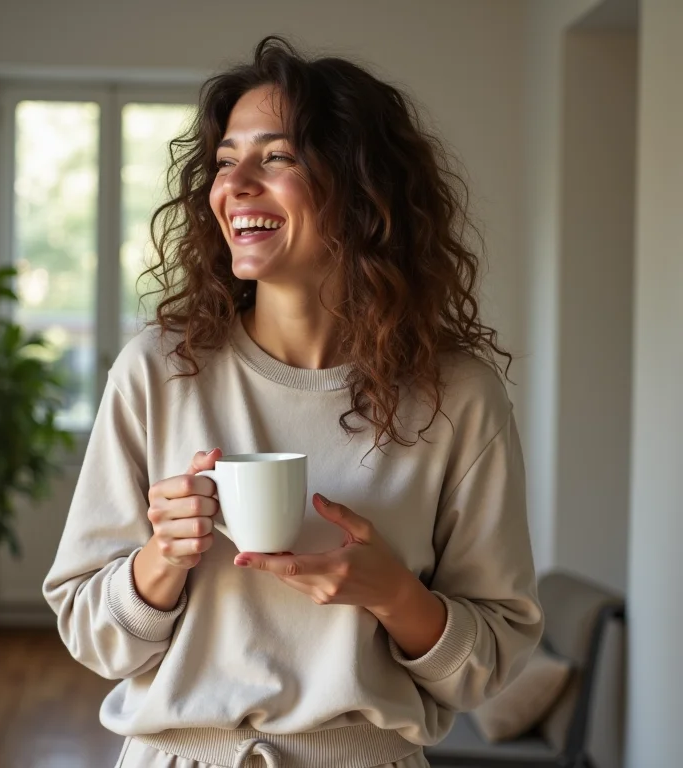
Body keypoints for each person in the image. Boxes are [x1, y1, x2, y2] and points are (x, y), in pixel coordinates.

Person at [43, 35, 543, 768]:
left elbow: (489, 659)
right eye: (223, 162)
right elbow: (91, 633)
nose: (235, 184)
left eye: (275, 157)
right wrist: (160, 559)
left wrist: (395, 595)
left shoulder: (457, 395)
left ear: (362, 187)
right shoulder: (157, 370)